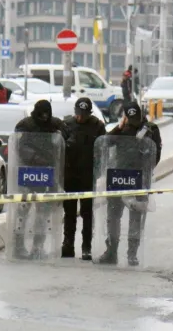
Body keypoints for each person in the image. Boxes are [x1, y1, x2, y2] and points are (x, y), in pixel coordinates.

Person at [98, 102, 162, 266]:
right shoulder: (121, 130)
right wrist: (119, 127)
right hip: (118, 177)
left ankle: (132, 254)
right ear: (125, 117)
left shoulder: (150, 130)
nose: (133, 122)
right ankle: (111, 251)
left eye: (135, 118)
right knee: (113, 216)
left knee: (136, 217)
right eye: (129, 118)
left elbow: (155, 155)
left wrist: (144, 170)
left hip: (139, 179)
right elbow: (105, 142)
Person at [13, 100, 68, 258]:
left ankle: (38, 247)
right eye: (41, 114)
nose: (44, 117)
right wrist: (36, 158)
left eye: (46, 114)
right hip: (27, 172)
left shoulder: (55, 124)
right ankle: (18, 246)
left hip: (48, 174)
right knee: (22, 212)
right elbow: (19, 146)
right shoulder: (25, 125)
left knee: (43, 214)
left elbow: (67, 137)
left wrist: (61, 135)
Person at [62, 97, 106, 260]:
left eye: (84, 114)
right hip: (70, 175)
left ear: (89, 113)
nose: (81, 117)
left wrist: (98, 172)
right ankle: (68, 244)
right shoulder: (67, 125)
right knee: (69, 213)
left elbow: (104, 150)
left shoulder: (97, 126)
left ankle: (86, 246)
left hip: (88, 176)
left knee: (87, 213)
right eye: (79, 113)